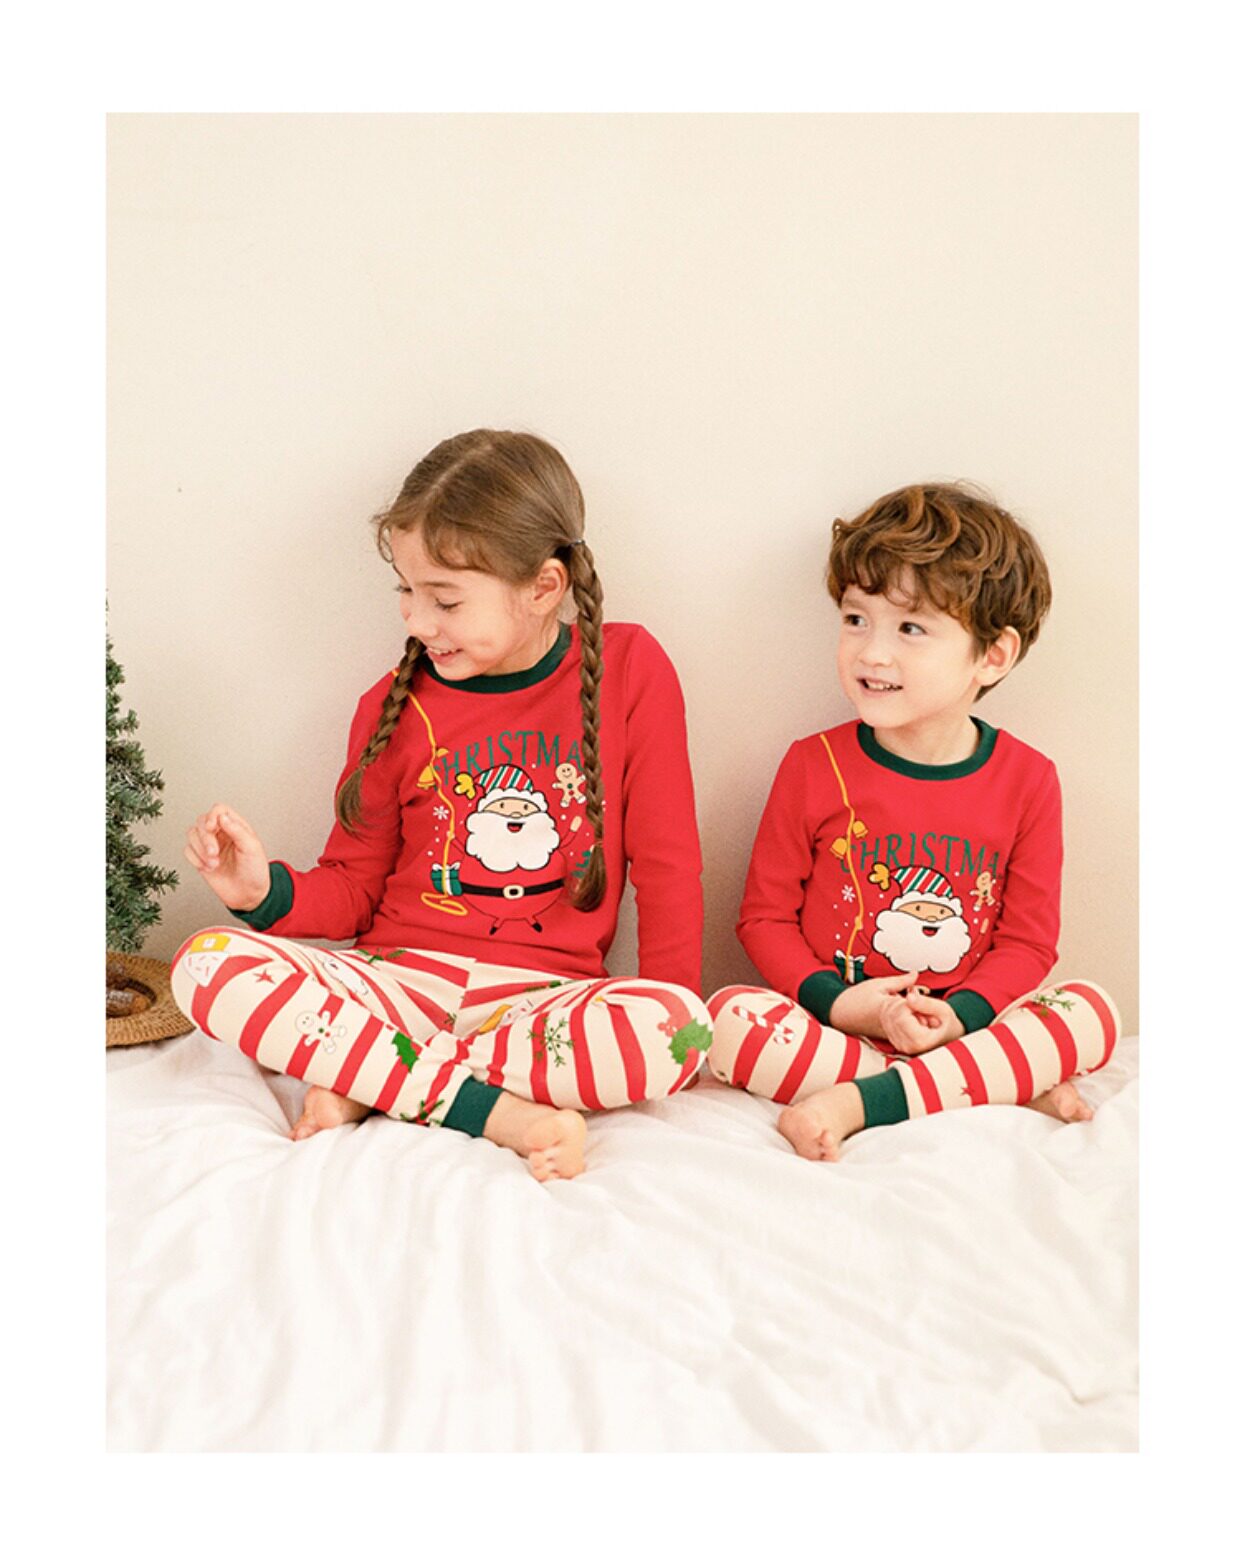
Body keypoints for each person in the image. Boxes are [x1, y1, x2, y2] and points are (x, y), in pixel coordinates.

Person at [171, 429, 711, 1182]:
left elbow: (667, 866)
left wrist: (671, 1006)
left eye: (445, 600)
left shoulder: (630, 669)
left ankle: (374, 1081)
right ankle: (496, 1112)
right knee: (206, 965)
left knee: (680, 1028)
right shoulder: (391, 708)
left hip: (539, 1007)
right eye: (406, 591)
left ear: (543, 588)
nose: (417, 621)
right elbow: (354, 887)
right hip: (394, 983)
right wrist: (262, 892)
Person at [706, 482, 1120, 1161]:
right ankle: (984, 1086)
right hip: (840, 1030)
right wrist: (847, 1007)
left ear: (993, 655)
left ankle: (860, 1102)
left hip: (963, 1030)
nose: (872, 652)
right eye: (856, 619)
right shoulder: (814, 766)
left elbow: (1028, 944)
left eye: (910, 629)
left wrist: (957, 1018)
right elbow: (764, 919)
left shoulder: (1028, 780)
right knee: (726, 1021)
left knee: (1090, 1010)